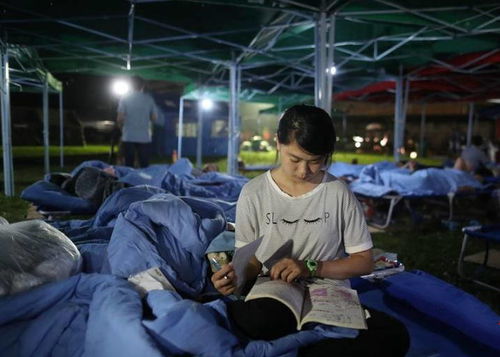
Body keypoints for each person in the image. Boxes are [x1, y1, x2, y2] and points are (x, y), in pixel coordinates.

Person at [211, 105, 409, 356]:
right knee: (258, 320)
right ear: (278, 144)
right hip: (277, 289)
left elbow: (364, 262)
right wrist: (236, 277)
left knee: (394, 335)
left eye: (316, 162)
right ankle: (318, 343)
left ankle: (309, 341)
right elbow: (250, 260)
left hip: (328, 292)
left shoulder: (338, 193)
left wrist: (311, 266)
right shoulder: (254, 192)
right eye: (295, 160)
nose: (304, 171)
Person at [116, 76, 158, 168]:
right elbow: (154, 117)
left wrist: (122, 128)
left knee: (128, 164)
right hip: (144, 136)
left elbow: (120, 118)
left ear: (130, 86)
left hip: (128, 135)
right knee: (144, 165)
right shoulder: (149, 99)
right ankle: (144, 181)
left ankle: (128, 181)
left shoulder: (124, 98)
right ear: (143, 86)